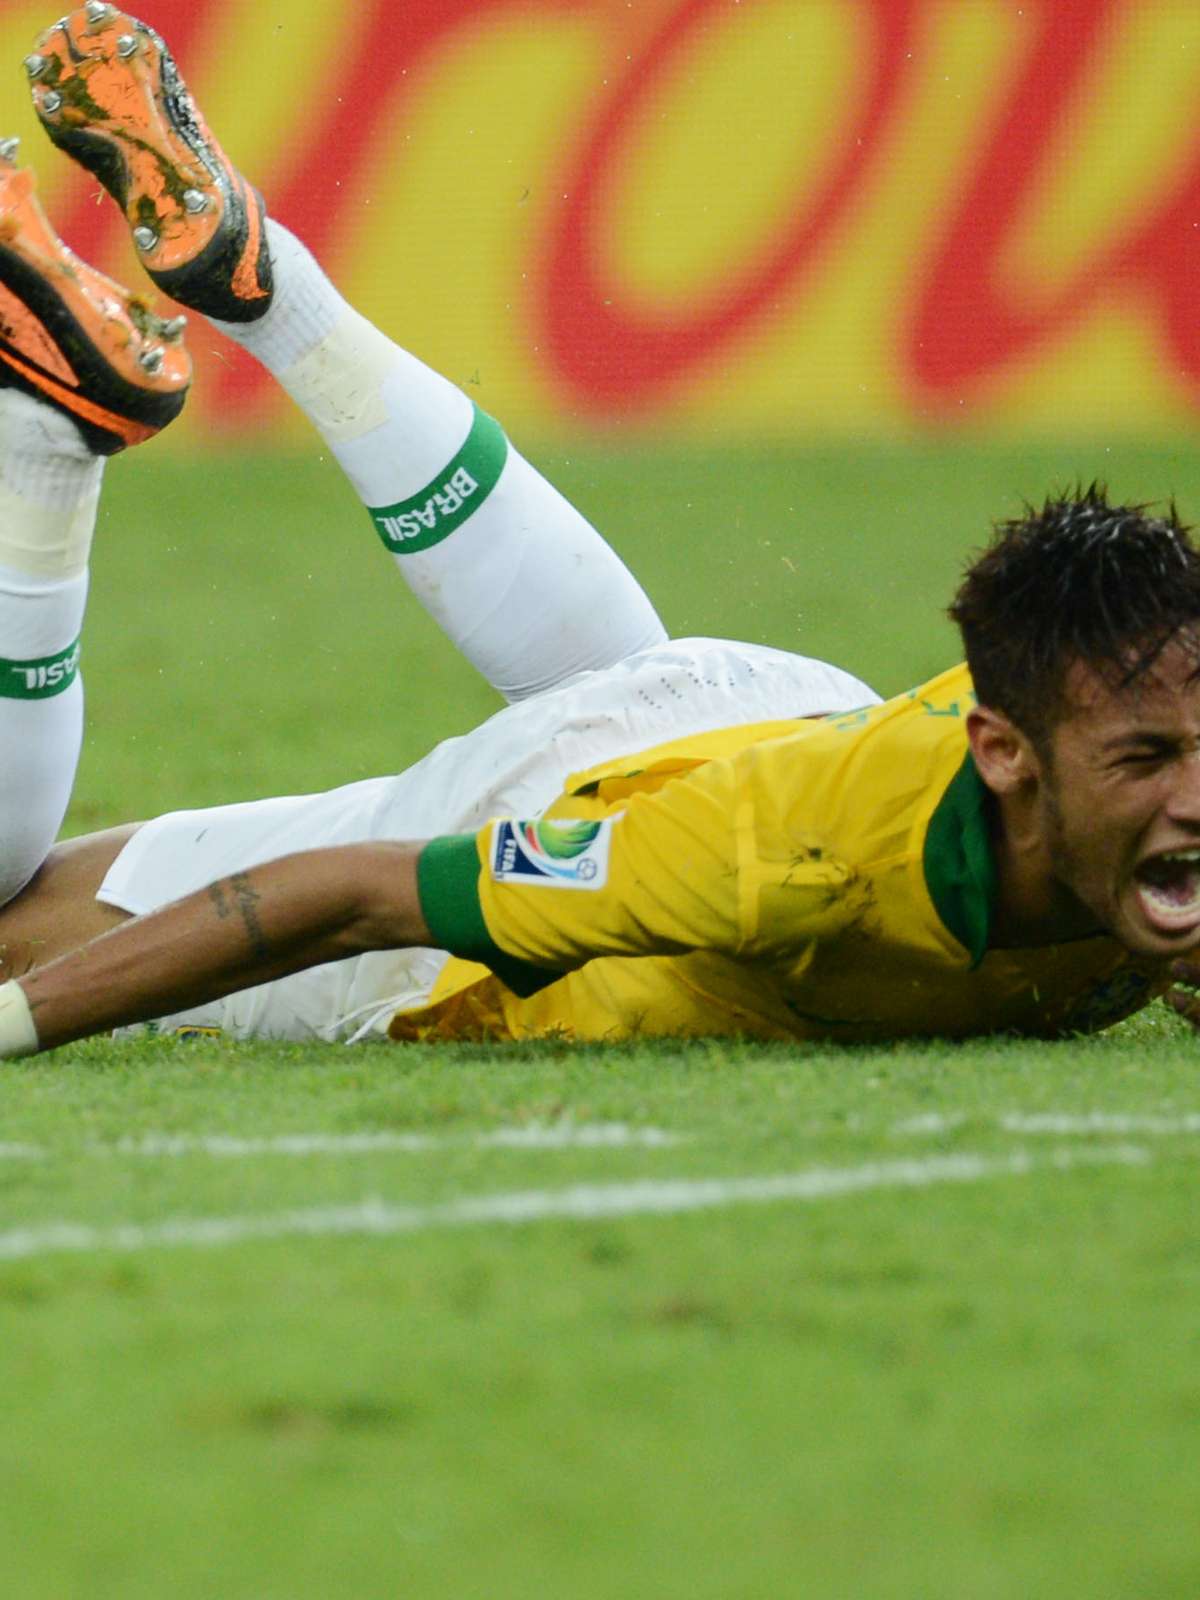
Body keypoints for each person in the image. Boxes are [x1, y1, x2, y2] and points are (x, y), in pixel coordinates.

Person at [3, 4, 1200, 1060]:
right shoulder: (791, 864)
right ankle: (51, 442)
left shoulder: (1108, 773)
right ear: (1006, 755)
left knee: (620, 690)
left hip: (759, 705)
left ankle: (287, 299)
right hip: (589, 809)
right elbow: (351, 896)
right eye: (1147, 765)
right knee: (11, 943)